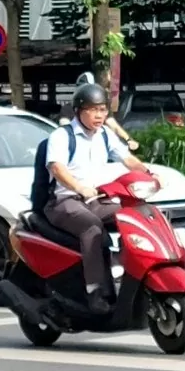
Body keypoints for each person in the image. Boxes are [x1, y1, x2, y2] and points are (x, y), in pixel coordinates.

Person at [44, 83, 154, 313]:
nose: (99, 115)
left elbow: (128, 159)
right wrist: (80, 187)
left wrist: (150, 175)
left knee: (137, 216)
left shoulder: (105, 135)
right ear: (79, 111)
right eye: (93, 110)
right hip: (65, 202)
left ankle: (136, 276)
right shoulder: (62, 136)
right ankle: (95, 290)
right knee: (93, 229)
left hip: (96, 201)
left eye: (103, 110)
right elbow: (57, 168)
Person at [58, 71, 139, 151]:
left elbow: (114, 126)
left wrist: (128, 139)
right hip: (77, 149)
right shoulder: (68, 108)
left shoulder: (100, 108)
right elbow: (65, 127)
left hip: (98, 149)